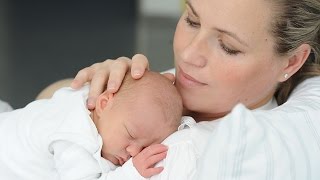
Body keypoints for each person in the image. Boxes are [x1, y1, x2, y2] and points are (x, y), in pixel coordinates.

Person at [40, 0, 320, 179]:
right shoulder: (173, 88)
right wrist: (97, 87)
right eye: (192, 20)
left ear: (293, 60)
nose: (188, 54)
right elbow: (39, 111)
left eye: (228, 47)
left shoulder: (194, 153)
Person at [0, 71, 183, 180]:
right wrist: (131, 173)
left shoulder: (96, 104)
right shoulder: (76, 137)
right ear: (103, 103)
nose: (134, 152)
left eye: (145, 147)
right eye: (130, 135)